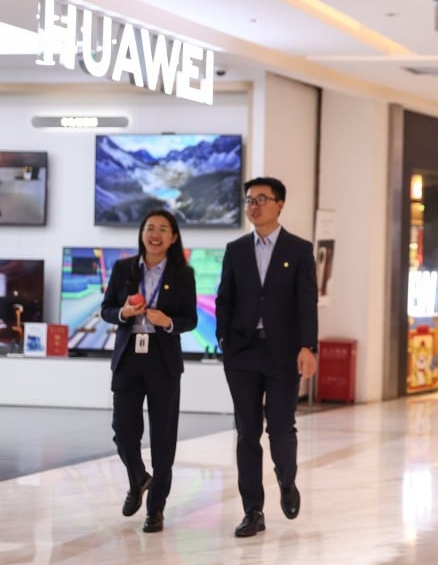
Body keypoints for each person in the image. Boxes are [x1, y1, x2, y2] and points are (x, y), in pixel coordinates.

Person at [215, 177, 318, 538]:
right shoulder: (236, 249)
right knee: (247, 432)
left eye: (262, 199)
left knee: (280, 427)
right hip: (242, 352)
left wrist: (309, 346)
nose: (254, 205)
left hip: (282, 354)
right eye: (249, 200)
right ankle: (252, 510)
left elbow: (307, 303)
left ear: (280, 204)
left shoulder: (299, 250)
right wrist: (225, 340)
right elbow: (224, 298)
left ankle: (286, 481)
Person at [100, 208, 197, 534]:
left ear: (173, 238)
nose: (155, 234)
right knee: (123, 433)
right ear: (142, 234)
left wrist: (166, 321)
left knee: (163, 440)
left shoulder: (184, 275)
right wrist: (125, 312)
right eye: (150, 228)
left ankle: (155, 509)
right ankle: (138, 478)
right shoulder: (123, 268)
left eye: (163, 229)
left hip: (163, 361)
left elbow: (190, 320)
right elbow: (106, 311)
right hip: (129, 359)